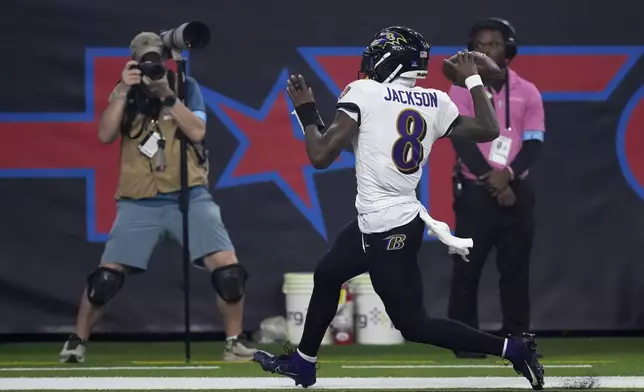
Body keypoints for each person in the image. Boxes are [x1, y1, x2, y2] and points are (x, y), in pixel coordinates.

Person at [253, 26, 544, 390]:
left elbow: (321, 155)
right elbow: (488, 129)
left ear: (392, 59)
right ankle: (303, 362)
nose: (371, 63)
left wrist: (306, 111)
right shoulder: (435, 101)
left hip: (389, 227)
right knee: (328, 275)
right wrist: (473, 81)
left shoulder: (365, 92)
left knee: (413, 324)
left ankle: (513, 349)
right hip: (380, 220)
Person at [59, 32, 256, 363]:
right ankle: (76, 342)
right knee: (105, 278)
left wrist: (167, 95)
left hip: (190, 196)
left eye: (158, 61)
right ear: (135, 61)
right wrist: (123, 90)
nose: (154, 67)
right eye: (147, 61)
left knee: (228, 272)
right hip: (139, 200)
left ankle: (234, 343)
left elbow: (197, 131)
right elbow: (105, 134)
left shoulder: (184, 87)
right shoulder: (126, 93)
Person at [447, 18, 545, 359]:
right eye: (480, 44)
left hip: (516, 189)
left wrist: (508, 177)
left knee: (516, 270)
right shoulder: (461, 89)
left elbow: (533, 143)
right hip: (475, 191)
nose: (486, 50)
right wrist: (492, 179)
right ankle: (464, 342)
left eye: (494, 44)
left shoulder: (528, 91)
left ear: (509, 50)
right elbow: (460, 137)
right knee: (466, 268)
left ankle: (518, 340)